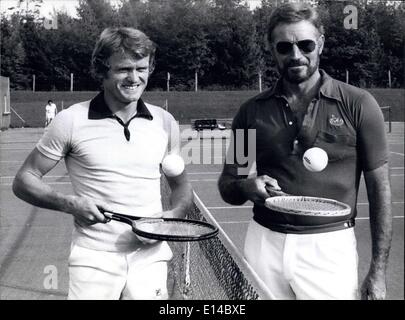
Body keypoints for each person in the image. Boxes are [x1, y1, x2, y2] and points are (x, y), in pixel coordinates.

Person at [218, 3, 392, 300]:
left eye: (305, 44)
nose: (296, 55)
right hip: (264, 242)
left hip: (328, 248)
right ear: (272, 50)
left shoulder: (358, 104)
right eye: (284, 47)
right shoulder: (251, 112)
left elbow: (380, 190)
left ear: (320, 43)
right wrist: (248, 186)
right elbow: (228, 185)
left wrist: (377, 271)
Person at [13, 27, 193, 300]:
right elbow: (24, 180)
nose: (134, 78)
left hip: (150, 257)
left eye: (141, 68)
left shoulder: (166, 122)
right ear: (102, 70)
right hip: (93, 257)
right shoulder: (70, 121)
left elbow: (181, 187)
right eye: (124, 69)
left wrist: (170, 218)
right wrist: (69, 203)